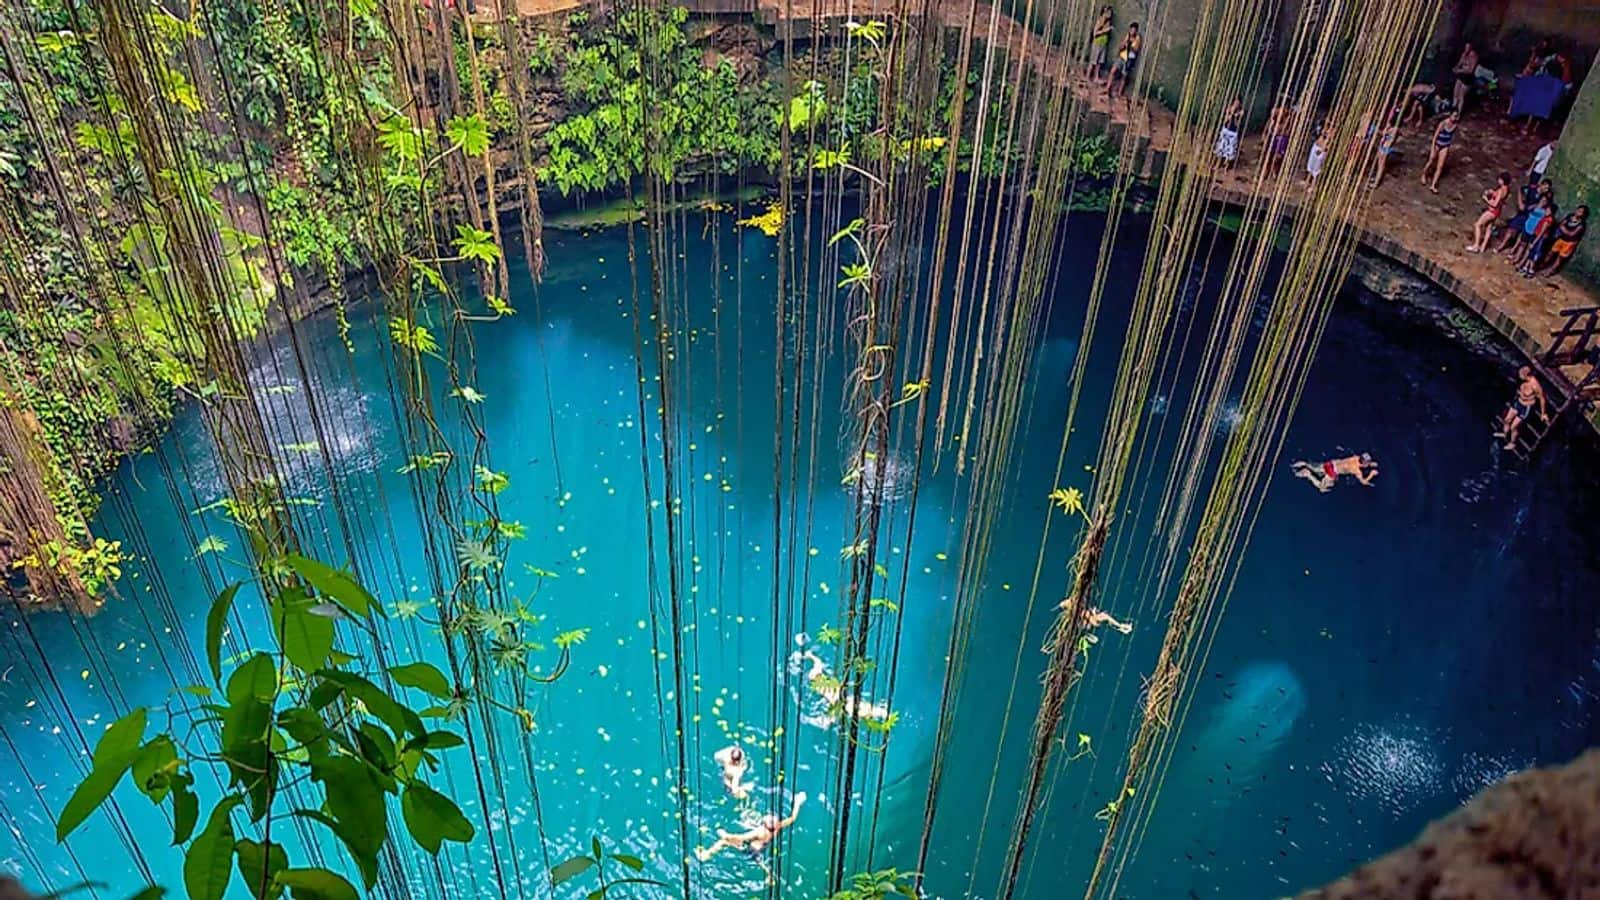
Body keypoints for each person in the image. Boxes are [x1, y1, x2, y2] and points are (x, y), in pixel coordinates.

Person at [791, 638, 889, 722]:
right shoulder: (823, 680)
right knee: (861, 708)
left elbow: (817, 663)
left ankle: (879, 712)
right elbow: (818, 663)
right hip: (841, 696)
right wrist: (810, 656)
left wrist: (810, 656)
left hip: (838, 699)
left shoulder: (819, 685)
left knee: (858, 709)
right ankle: (880, 712)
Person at [694, 792, 807, 861]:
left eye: (770, 818)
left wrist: (725, 834)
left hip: (751, 849)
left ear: (766, 824)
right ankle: (768, 874)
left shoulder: (758, 832)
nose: (770, 816)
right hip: (762, 847)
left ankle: (705, 855)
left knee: (723, 841)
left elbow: (740, 837)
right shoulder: (778, 827)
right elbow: (792, 818)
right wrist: (797, 802)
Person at [1496, 366, 1547, 450]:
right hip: (1518, 402)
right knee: (1507, 419)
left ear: (1525, 375)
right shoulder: (1523, 381)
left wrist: (1543, 413)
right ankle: (1504, 433)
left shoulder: (1535, 385)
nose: (1519, 376)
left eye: (1520, 374)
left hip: (1526, 407)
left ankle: (1512, 443)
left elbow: (1542, 398)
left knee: (1514, 427)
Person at [1495, 176, 1551, 252]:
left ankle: (1513, 250)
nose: (1546, 190)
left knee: (1522, 234)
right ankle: (1501, 246)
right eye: (1545, 187)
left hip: (1531, 217)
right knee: (1511, 228)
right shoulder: (1532, 189)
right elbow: (1520, 189)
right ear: (1541, 184)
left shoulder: (1543, 197)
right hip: (1523, 213)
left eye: (1547, 189)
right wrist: (1520, 202)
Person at [1538, 205, 1589, 276]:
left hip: (1569, 243)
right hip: (1561, 239)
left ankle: (1550, 271)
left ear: (1583, 215)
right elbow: (1561, 224)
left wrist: (1563, 229)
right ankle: (1541, 266)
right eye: (1578, 210)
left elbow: (1571, 234)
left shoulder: (1582, 225)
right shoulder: (1570, 216)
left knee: (1559, 258)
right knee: (1550, 253)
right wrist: (1564, 229)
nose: (1578, 212)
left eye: (1581, 212)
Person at [1513, 196, 1558, 275]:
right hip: (1535, 235)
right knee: (1531, 253)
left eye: (1548, 209)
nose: (1546, 211)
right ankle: (1525, 268)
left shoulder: (1548, 220)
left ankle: (1530, 270)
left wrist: (1534, 242)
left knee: (1533, 255)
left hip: (1538, 238)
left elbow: (1542, 233)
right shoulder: (1546, 217)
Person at [1468, 172, 1511, 252]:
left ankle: (1476, 245)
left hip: (1492, 211)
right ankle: (1483, 247)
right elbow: (1500, 199)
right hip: (1497, 211)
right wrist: (1493, 192)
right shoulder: (1506, 189)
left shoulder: (1501, 190)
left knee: (1477, 225)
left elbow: (1495, 204)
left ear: (1502, 180)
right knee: (1489, 228)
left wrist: (1486, 199)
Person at [1290, 454, 1378, 492]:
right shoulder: (1356, 470)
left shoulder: (1355, 457)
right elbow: (1364, 482)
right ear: (1364, 463)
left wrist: (1371, 464)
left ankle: (1300, 464)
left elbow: (1362, 462)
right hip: (1333, 472)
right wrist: (1371, 474)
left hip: (1331, 464)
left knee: (1314, 468)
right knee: (1322, 488)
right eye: (1368, 463)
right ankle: (1308, 474)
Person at [1419, 111, 1458, 193]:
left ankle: (1433, 185)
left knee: (1440, 166)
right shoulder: (1443, 123)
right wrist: (1433, 147)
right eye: (1454, 116)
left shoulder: (1455, 125)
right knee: (1431, 160)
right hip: (1437, 144)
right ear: (1450, 115)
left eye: (1456, 116)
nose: (1455, 118)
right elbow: (1435, 136)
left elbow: (1451, 136)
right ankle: (1424, 174)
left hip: (1445, 145)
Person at [1106, 23, 1142, 104]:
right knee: (1113, 71)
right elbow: (1122, 45)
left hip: (1129, 59)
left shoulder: (1137, 38)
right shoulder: (1128, 35)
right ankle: (1107, 88)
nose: (1132, 31)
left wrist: (1130, 45)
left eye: (1133, 30)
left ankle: (1119, 93)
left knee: (1124, 76)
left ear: (1136, 30)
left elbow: (1136, 49)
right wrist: (1123, 45)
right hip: (1122, 56)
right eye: (1131, 29)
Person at [1264, 100, 1293, 175]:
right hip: (1273, 136)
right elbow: (1270, 123)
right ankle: (1268, 170)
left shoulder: (1289, 117)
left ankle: (1274, 169)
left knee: (1279, 156)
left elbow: (1287, 130)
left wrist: (1287, 121)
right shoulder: (1275, 112)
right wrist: (1265, 132)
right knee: (1269, 154)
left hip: (1282, 138)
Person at [1214, 97, 1243, 171]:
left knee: (1230, 149)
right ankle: (1218, 164)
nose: (1236, 104)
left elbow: (1238, 124)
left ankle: (1226, 166)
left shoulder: (1241, 111)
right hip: (1226, 129)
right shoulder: (1229, 108)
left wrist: (1236, 116)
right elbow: (1226, 120)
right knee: (1222, 147)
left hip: (1233, 132)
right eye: (1235, 102)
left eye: (1238, 103)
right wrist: (1230, 114)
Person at [1370, 120, 1399, 188]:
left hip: (1385, 149)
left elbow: (1383, 133)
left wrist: (1375, 129)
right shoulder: (1392, 129)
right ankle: (1376, 178)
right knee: (1379, 165)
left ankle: (1376, 183)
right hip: (1382, 147)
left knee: (1381, 167)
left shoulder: (1395, 129)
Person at [1088, 7, 1113, 83]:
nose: (1110, 14)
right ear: (1104, 12)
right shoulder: (1100, 21)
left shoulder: (1108, 22)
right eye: (1108, 12)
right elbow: (1095, 33)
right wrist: (1105, 30)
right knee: (1093, 61)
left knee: (1099, 63)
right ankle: (1087, 77)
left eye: (1111, 13)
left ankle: (1096, 77)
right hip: (1097, 44)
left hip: (1103, 44)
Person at [1451, 42, 1479, 112]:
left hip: (1467, 78)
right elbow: (1459, 63)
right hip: (1461, 76)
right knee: (1455, 93)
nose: (1466, 49)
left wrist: (1460, 70)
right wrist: (1455, 68)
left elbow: (1470, 70)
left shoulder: (1474, 56)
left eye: (1468, 47)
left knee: (1461, 96)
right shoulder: (1464, 54)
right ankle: (1452, 111)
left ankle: (1458, 113)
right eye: (1465, 47)